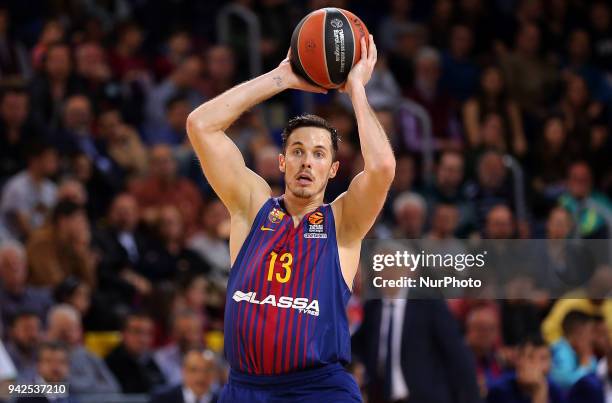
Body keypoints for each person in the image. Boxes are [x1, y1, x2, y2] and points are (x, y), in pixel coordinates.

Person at [186, 35, 395, 402]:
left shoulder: (343, 222)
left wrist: (356, 88)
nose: (306, 161)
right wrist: (282, 77)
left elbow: (382, 168)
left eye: (318, 154)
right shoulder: (252, 208)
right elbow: (200, 125)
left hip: (319, 389)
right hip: (245, 388)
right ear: (282, 162)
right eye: (297, 151)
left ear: (333, 169)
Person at [487, 335, 564, 403]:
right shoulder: (500, 390)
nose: (537, 364)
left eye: (544, 359)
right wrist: (539, 392)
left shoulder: (554, 389)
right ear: (518, 360)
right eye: (530, 357)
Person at [105, 312, 166, 394]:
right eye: (137, 332)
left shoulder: (151, 361)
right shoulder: (110, 364)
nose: (143, 339)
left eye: (148, 333)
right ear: (123, 333)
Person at [15, 341, 79, 403]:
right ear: (38, 365)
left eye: (61, 362)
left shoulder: (74, 394)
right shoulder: (26, 398)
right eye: (48, 361)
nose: (55, 367)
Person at [550, 310, 598, 390]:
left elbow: (595, 374)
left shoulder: (577, 350)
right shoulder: (560, 351)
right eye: (590, 332)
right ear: (578, 332)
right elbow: (567, 384)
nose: (592, 338)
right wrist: (585, 365)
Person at [150, 349, 219, 403]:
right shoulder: (162, 399)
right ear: (183, 372)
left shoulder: (223, 400)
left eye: (207, 370)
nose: (200, 376)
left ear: (214, 374)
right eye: (193, 370)